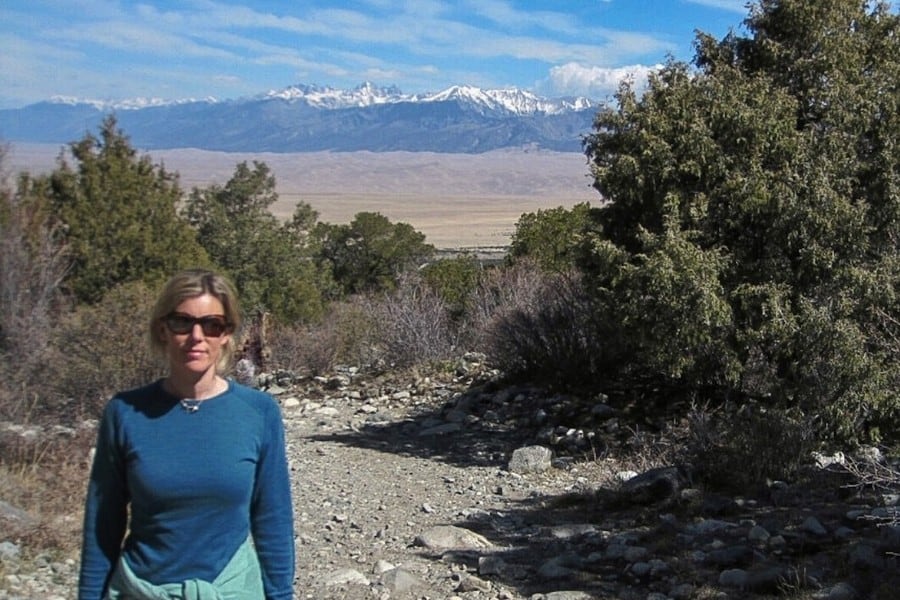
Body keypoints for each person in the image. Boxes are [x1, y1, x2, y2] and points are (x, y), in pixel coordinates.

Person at [78, 269, 295, 600]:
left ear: (227, 333)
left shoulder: (258, 412)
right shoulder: (125, 413)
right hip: (143, 590)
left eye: (211, 325)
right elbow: (102, 524)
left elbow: (273, 520)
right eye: (182, 322)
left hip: (230, 590)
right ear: (162, 329)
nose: (197, 336)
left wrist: (280, 595)